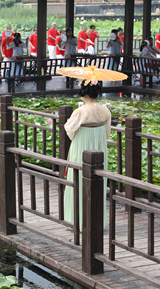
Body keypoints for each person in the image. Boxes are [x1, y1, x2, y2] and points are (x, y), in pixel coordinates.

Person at [64, 80, 110, 230]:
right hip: (99, 146)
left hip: (82, 145)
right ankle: (97, 219)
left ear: (83, 93)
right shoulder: (105, 109)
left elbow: (69, 129)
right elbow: (107, 132)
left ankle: (76, 219)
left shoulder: (80, 111)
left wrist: (79, 112)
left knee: (79, 177)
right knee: (98, 179)